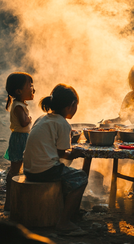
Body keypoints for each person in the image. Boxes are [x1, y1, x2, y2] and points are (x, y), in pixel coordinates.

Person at [23, 84, 88, 235]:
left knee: (68, 174)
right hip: (44, 170)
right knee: (81, 177)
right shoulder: (62, 123)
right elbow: (61, 153)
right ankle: (64, 222)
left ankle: (68, 212)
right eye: (76, 105)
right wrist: (75, 153)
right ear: (72, 105)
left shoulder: (43, 118)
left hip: (28, 169)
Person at [4, 72, 35, 211]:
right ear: (19, 91)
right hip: (19, 140)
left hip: (22, 138)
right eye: (30, 85)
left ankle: (14, 200)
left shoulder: (20, 104)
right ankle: (9, 202)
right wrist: (29, 119)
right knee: (15, 170)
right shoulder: (18, 106)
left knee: (18, 170)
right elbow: (23, 123)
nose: (33, 88)